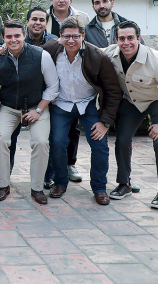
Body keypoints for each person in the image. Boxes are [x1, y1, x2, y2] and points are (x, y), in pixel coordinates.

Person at [43, 17, 121, 205]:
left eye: (75, 36)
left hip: (88, 105)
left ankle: (99, 188)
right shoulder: (50, 50)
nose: (71, 40)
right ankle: (60, 182)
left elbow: (113, 90)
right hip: (61, 104)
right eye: (66, 36)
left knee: (100, 145)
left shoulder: (97, 56)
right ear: (60, 36)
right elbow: (28, 53)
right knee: (57, 142)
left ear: (83, 36)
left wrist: (105, 122)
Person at [105, 21, 158, 209]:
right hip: (132, 102)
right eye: (122, 38)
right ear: (116, 40)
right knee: (122, 140)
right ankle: (124, 184)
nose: (126, 43)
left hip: (157, 100)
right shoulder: (110, 54)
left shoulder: (157, 60)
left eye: (130, 38)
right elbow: (89, 51)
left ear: (139, 38)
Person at [0, 19, 59, 204]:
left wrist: (39, 110)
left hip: (36, 106)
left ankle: (37, 188)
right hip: (8, 108)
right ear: (3, 38)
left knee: (41, 142)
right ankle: (3, 185)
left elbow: (53, 86)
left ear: (24, 36)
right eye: (9, 36)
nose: (13, 40)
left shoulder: (40, 56)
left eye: (17, 35)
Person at [46, 0, 90, 183]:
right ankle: (50, 170)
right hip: (52, 73)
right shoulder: (44, 17)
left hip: (76, 74)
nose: (61, 0)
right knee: (53, 132)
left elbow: (89, 43)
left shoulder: (83, 17)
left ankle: (70, 164)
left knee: (72, 128)